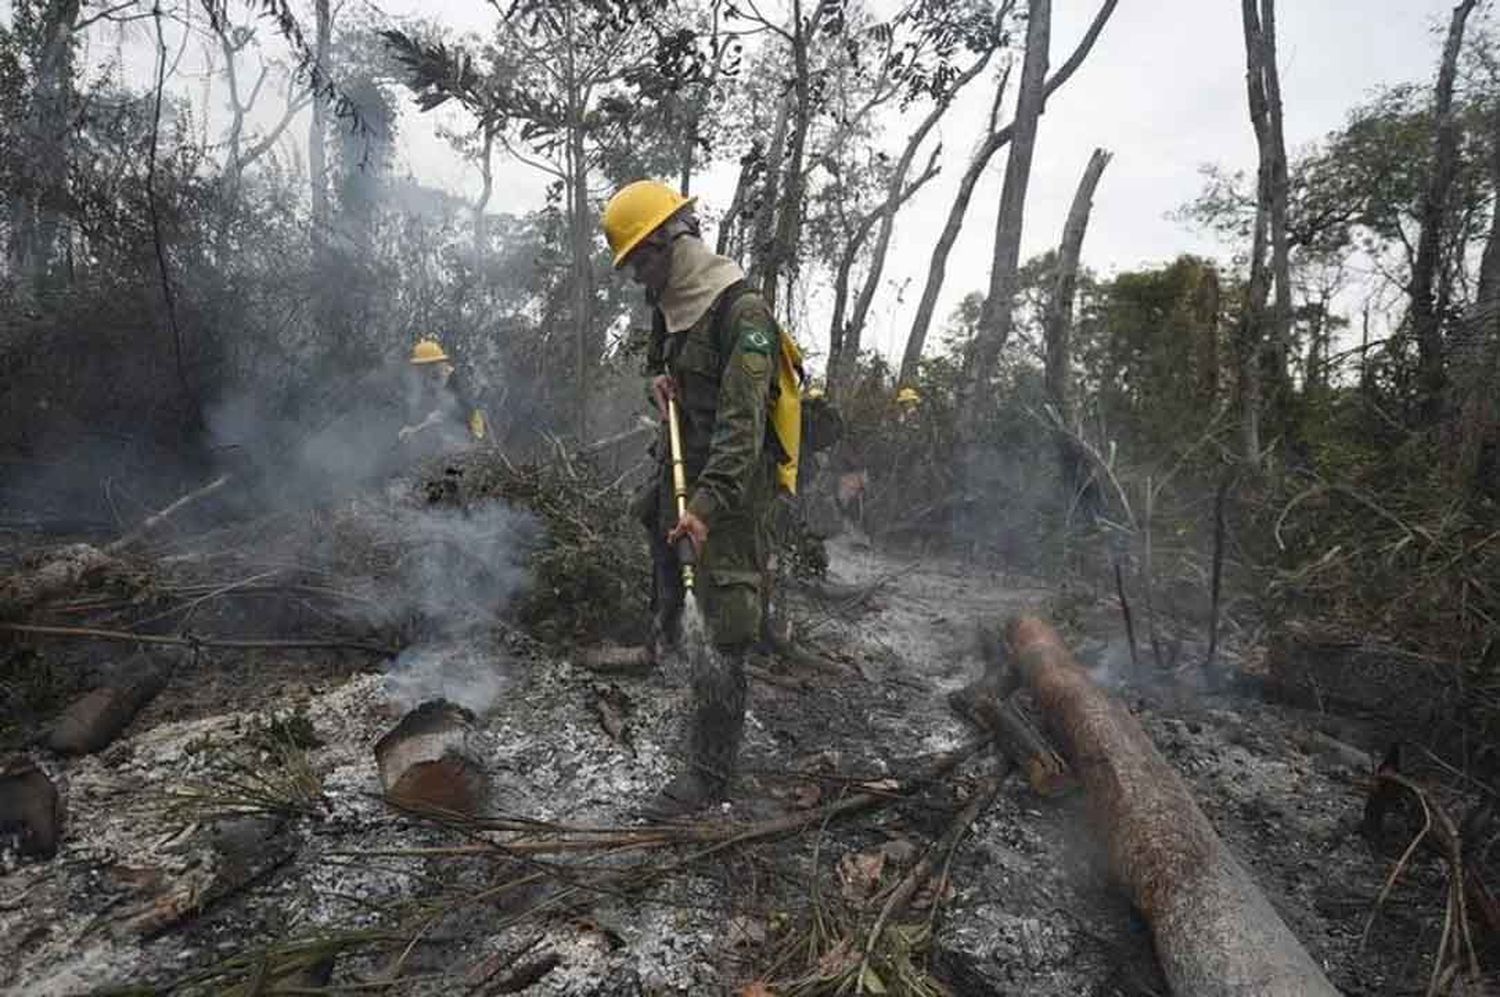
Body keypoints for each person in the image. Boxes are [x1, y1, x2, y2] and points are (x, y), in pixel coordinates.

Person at [604, 179, 789, 816]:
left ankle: (710, 777)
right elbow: (663, 362)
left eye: (639, 264)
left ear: (668, 244)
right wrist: (658, 381)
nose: (637, 283)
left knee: (724, 615)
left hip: (731, 487)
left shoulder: (743, 314)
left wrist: (706, 510)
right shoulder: (671, 301)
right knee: (648, 521)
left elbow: (744, 432)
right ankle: (665, 636)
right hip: (686, 463)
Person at [398, 338, 488, 453]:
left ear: (434, 363)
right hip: (450, 432)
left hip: (471, 432)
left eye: (423, 366)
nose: (421, 371)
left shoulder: (458, 380)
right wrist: (413, 428)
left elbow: (468, 408)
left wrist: (443, 413)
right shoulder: (434, 380)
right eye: (419, 367)